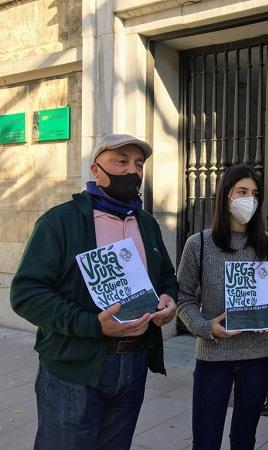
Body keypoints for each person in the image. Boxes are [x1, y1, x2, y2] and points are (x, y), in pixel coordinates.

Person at [10, 134, 178, 450]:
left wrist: (169, 300)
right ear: (96, 170)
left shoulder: (146, 223)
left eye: (139, 164)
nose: (132, 171)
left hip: (132, 365)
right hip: (74, 370)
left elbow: (167, 277)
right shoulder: (60, 221)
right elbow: (26, 293)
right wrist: (93, 324)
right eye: (121, 161)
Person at [177, 165, 268, 450]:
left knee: (244, 438)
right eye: (242, 192)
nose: (249, 199)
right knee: (205, 439)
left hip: (260, 355)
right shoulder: (198, 244)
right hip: (213, 357)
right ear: (226, 196)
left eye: (255, 193)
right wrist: (206, 327)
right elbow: (183, 298)